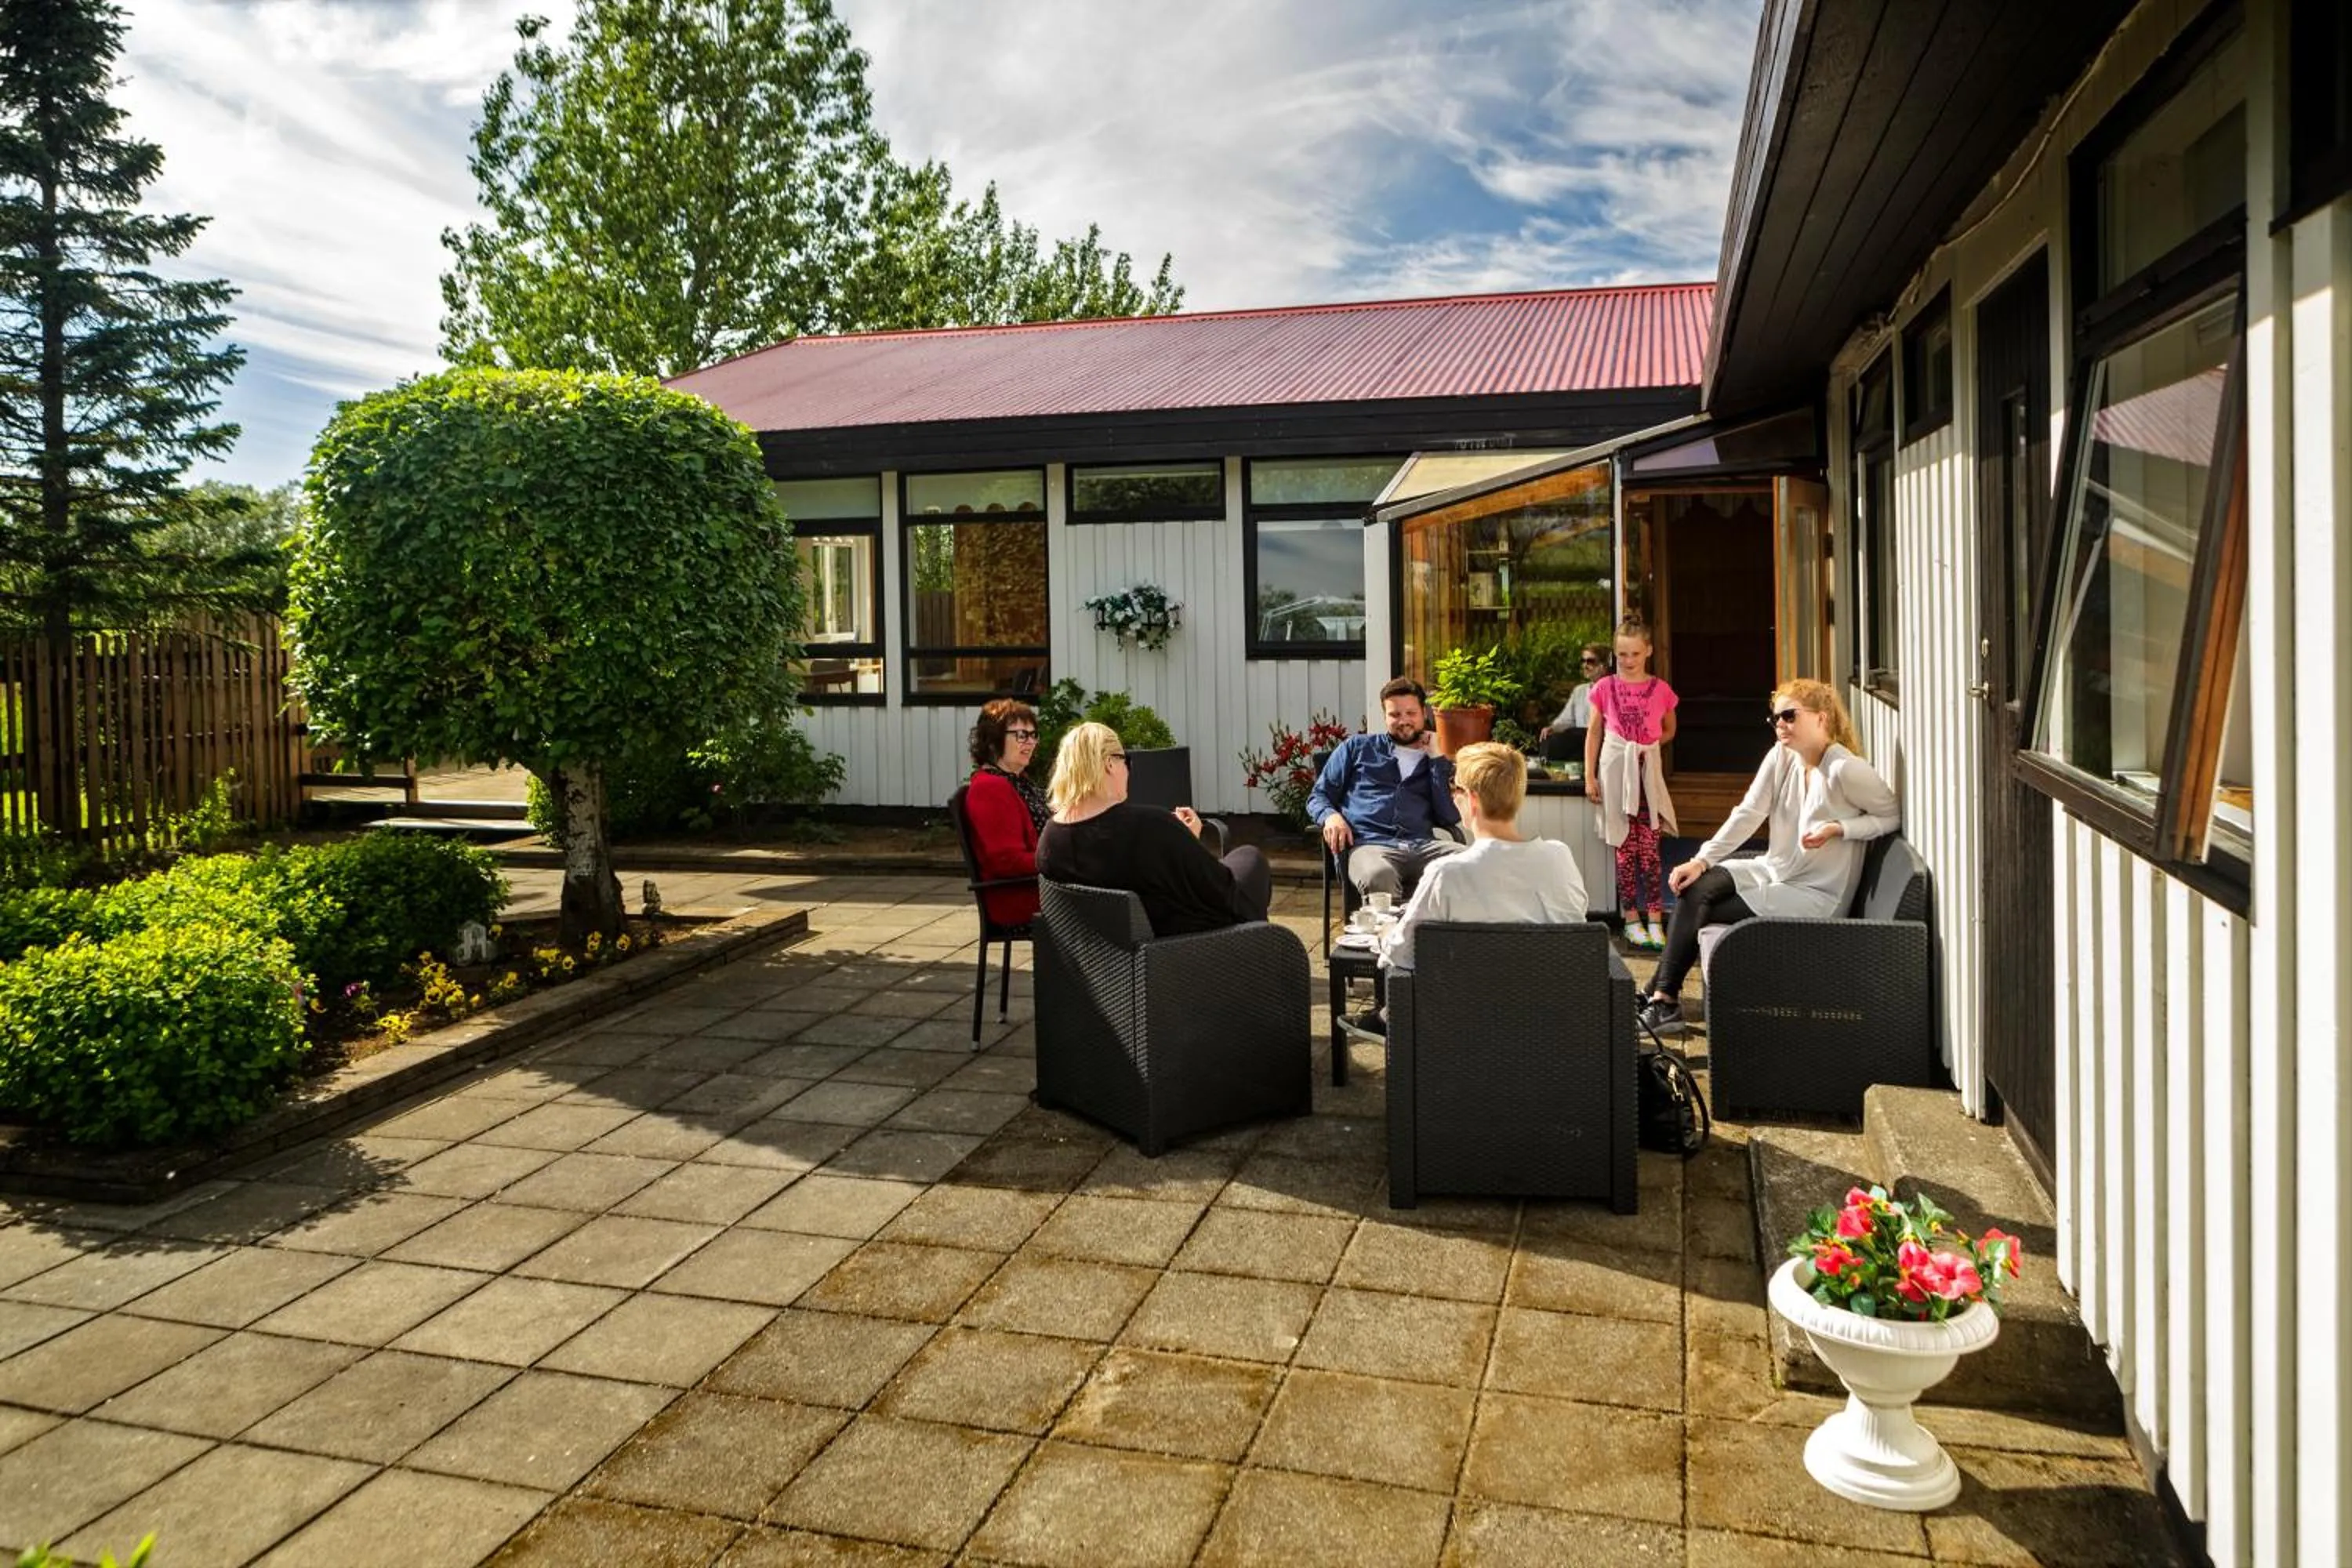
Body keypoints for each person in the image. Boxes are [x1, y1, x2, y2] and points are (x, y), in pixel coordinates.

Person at [1637, 678, 1900, 1037]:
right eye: (1776, 718)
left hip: (1815, 895)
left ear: (1822, 719)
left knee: (1704, 908)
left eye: (1790, 716)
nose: (1780, 725)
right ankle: (1660, 996)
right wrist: (1701, 860)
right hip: (1775, 870)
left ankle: (1662, 999)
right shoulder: (1782, 756)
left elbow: (1891, 816)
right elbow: (1748, 812)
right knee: (1695, 885)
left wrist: (1840, 828)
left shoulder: (1845, 769)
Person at [1340, 743, 1588, 1036]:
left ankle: (1388, 1020)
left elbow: (1402, 954)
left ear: (1471, 800)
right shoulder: (1559, 857)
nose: (1453, 796)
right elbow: (1575, 924)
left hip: (1463, 1028)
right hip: (1551, 1021)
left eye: (1454, 789)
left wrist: (1384, 934)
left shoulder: (1448, 873)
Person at [1037, 721, 1273, 935]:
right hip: (1178, 945)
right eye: (1125, 760)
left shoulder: (1050, 838)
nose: (1128, 770)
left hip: (1103, 955)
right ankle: (1254, 957)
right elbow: (1218, 892)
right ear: (1110, 763)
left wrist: (1180, 841)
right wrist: (1186, 840)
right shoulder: (1148, 826)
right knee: (1250, 858)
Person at [1308, 677, 1465, 904]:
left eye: (1411, 713)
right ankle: (1388, 939)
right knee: (1380, 875)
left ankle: (1442, 937)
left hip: (1423, 846)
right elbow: (1318, 796)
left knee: (1468, 864)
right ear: (1385, 716)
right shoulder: (1357, 748)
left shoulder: (1436, 759)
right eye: (1395, 715)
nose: (1404, 721)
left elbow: (1449, 816)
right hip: (1370, 845)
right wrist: (1331, 817)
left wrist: (1436, 759)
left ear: (1424, 713)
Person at [1583, 617, 1679, 951]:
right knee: (1624, 847)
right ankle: (1631, 918)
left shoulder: (1661, 690)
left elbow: (1669, 729)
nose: (1628, 660)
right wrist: (1590, 775)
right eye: (1622, 654)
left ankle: (1655, 916)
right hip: (1614, 772)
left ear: (1648, 651)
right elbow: (1594, 732)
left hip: (1645, 772)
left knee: (1649, 847)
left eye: (1635, 653)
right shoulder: (1604, 688)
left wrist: (1646, 747)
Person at [962, 698, 1048, 927]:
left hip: (1041, 888)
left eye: (1033, 735)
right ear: (993, 740)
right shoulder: (991, 788)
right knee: (1117, 901)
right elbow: (1007, 861)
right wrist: (1064, 860)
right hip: (1019, 897)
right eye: (1021, 735)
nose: (1030, 742)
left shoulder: (1017, 781)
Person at [1537, 642, 1611, 744]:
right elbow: (1567, 719)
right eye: (1583, 661)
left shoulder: (1613, 691)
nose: (1585, 665)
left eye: (1591, 661)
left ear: (1604, 665)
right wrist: (1553, 728)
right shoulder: (1579, 691)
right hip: (1579, 743)